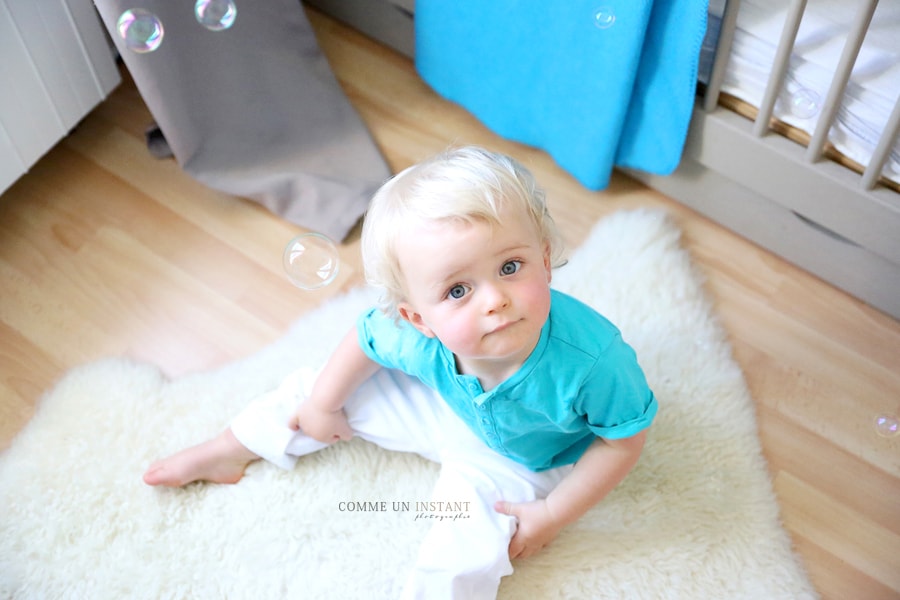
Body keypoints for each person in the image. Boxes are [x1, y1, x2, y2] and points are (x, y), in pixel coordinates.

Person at [143, 146, 658, 599]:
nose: (496, 300)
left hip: (525, 458)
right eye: (458, 291)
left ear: (544, 260)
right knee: (314, 388)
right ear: (417, 318)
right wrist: (323, 405)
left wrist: (553, 514)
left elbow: (622, 442)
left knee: (464, 550)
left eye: (510, 267)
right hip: (438, 405)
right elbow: (366, 341)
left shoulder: (594, 361)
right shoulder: (411, 335)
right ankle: (230, 448)